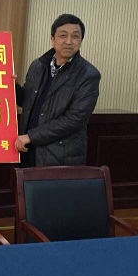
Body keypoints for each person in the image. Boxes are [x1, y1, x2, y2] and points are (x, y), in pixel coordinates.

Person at [15, 13, 100, 167]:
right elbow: (26, 101)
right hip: (28, 150)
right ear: (52, 38)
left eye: (75, 36)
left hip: (59, 155)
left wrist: (31, 136)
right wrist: (9, 85)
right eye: (63, 35)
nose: (69, 41)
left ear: (81, 40)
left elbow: (74, 119)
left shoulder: (88, 75)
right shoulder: (38, 66)